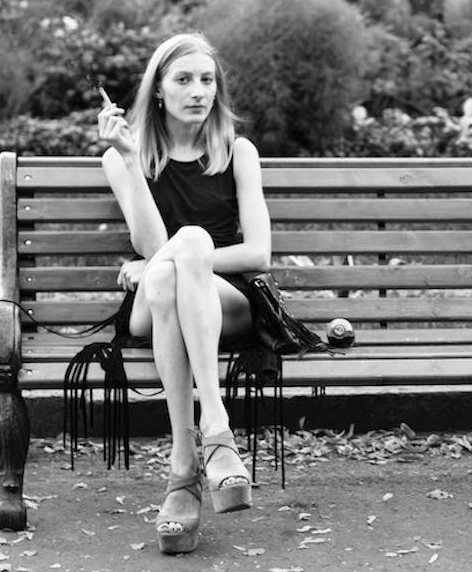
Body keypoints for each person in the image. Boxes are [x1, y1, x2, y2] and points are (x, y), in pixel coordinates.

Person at [95, 32, 270, 555]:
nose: (199, 91)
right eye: (184, 80)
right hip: (154, 305)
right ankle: (216, 431)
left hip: (226, 300)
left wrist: (181, 260)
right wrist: (128, 157)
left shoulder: (236, 151)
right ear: (158, 91)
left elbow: (258, 254)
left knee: (180, 260)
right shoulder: (123, 156)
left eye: (207, 79)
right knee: (177, 255)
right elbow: (150, 244)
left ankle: (182, 468)